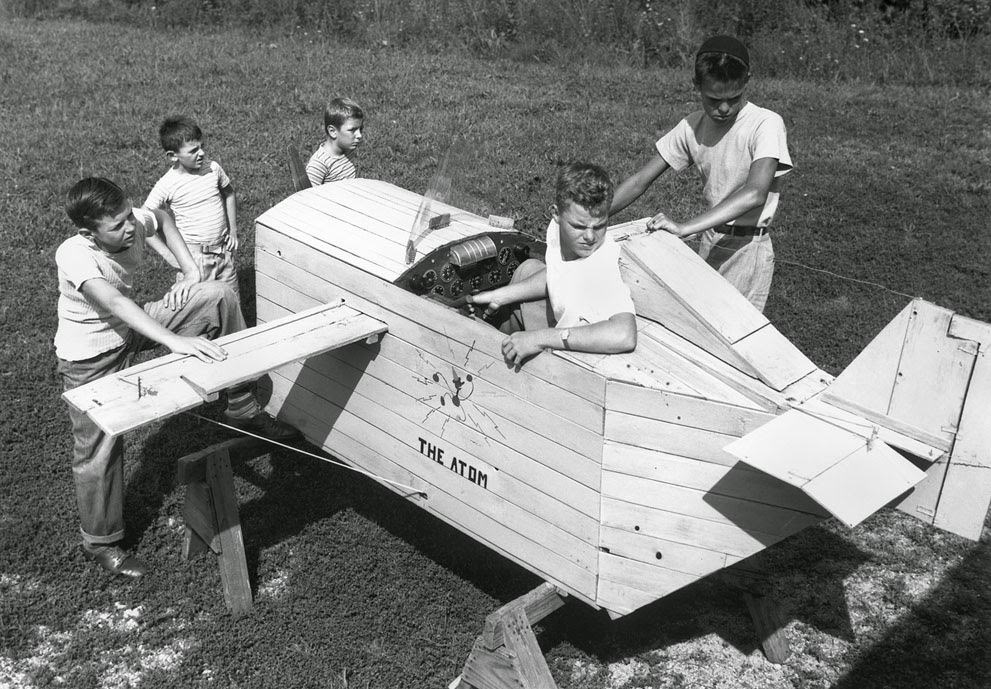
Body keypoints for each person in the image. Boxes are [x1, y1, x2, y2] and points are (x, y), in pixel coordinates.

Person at [55, 178, 297, 578]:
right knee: (97, 448)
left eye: (127, 217)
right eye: (116, 226)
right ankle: (100, 543)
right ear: (88, 232)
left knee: (217, 295)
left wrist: (189, 271)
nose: (129, 229)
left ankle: (241, 405)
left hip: (130, 325)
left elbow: (163, 217)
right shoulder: (74, 254)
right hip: (89, 357)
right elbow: (113, 300)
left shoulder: (132, 221)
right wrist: (173, 341)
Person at [610, 35, 793, 312]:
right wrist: (592, 217)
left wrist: (684, 227)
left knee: (732, 339)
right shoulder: (692, 126)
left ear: (747, 82)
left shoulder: (765, 124)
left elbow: (755, 192)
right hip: (710, 239)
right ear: (696, 85)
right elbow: (639, 181)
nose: (723, 108)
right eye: (713, 99)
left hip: (748, 249)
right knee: (702, 324)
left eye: (733, 98)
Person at [468, 162, 637, 368]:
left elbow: (625, 334)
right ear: (555, 214)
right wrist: (501, 295)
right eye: (579, 226)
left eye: (600, 226)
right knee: (528, 268)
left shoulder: (601, 270)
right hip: (568, 320)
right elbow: (559, 272)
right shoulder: (559, 231)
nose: (590, 237)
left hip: (585, 357)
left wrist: (538, 338)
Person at [143, 116, 241, 293]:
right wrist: (168, 255)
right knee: (202, 313)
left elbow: (229, 194)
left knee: (233, 307)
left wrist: (233, 230)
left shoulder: (212, 168)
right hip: (195, 260)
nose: (201, 153)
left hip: (224, 253)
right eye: (193, 150)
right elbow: (142, 220)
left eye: (202, 146)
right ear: (173, 156)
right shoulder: (167, 184)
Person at [305, 97, 364, 186]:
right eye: (352, 130)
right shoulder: (318, 165)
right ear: (333, 131)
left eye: (361, 129)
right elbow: (308, 197)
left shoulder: (347, 150)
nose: (359, 135)